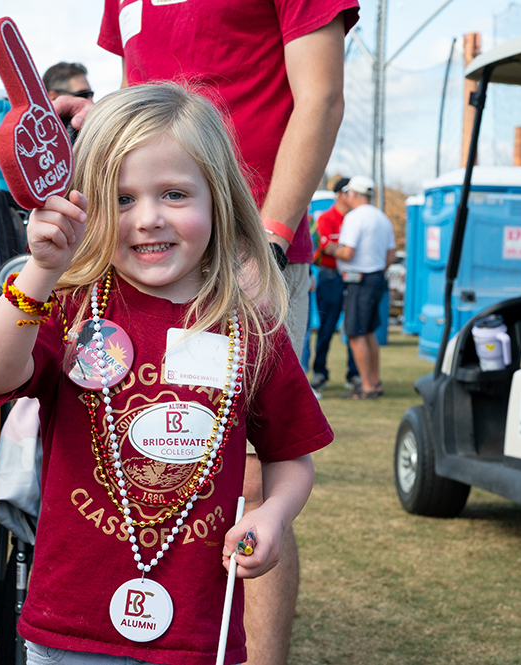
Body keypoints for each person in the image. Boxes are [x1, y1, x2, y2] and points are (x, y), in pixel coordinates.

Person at [0, 83, 332, 665]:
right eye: (123, 198)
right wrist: (40, 271)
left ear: (220, 200)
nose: (149, 218)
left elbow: (290, 454)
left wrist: (273, 514)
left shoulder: (251, 330)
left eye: (174, 194)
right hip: (69, 629)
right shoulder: (70, 307)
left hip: (196, 634)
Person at [98, 2, 358, 662]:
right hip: (146, 255)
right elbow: (134, 104)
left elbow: (321, 95)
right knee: (141, 455)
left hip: (245, 252)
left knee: (246, 477)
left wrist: (266, 241)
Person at [322, 176, 396, 399]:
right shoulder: (382, 217)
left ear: (353, 194)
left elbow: (347, 253)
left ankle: (366, 386)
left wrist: (329, 247)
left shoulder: (355, 218)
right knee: (370, 332)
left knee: (355, 334)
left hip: (358, 281)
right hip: (376, 278)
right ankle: (374, 381)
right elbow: (391, 255)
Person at [311, 178, 359, 391]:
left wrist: (340, 249)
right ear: (341, 194)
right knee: (326, 327)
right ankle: (320, 372)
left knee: (354, 328)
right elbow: (326, 247)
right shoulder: (327, 217)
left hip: (352, 277)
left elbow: (334, 247)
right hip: (330, 276)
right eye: (350, 192)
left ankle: (354, 374)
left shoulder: (356, 218)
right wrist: (347, 251)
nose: (354, 196)